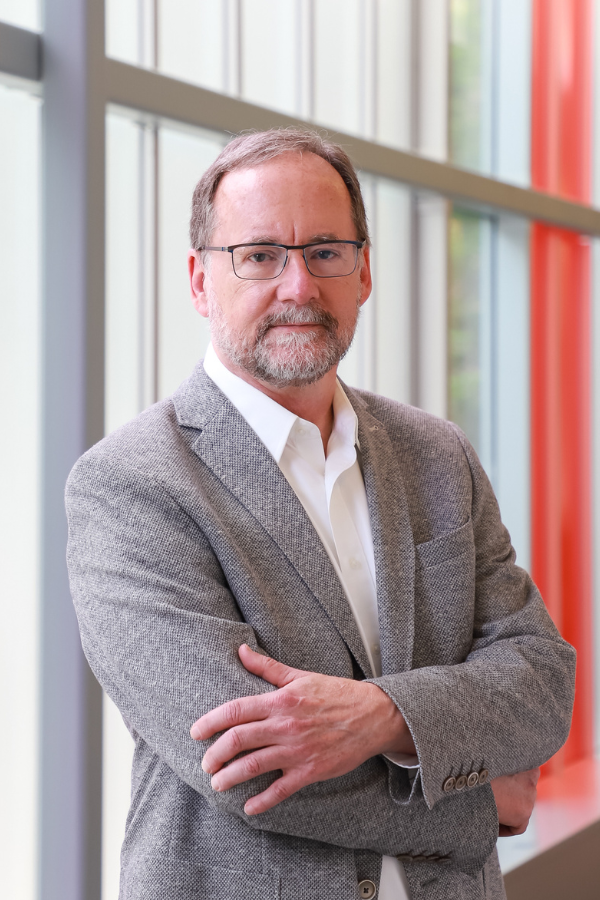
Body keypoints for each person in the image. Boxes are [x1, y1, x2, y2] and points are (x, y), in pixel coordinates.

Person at [66, 128, 575, 900]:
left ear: (364, 271)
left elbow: (541, 685)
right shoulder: (130, 483)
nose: (298, 286)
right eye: (261, 255)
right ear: (201, 282)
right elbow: (249, 772)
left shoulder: (437, 454)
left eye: (326, 251)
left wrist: (378, 715)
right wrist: (479, 801)